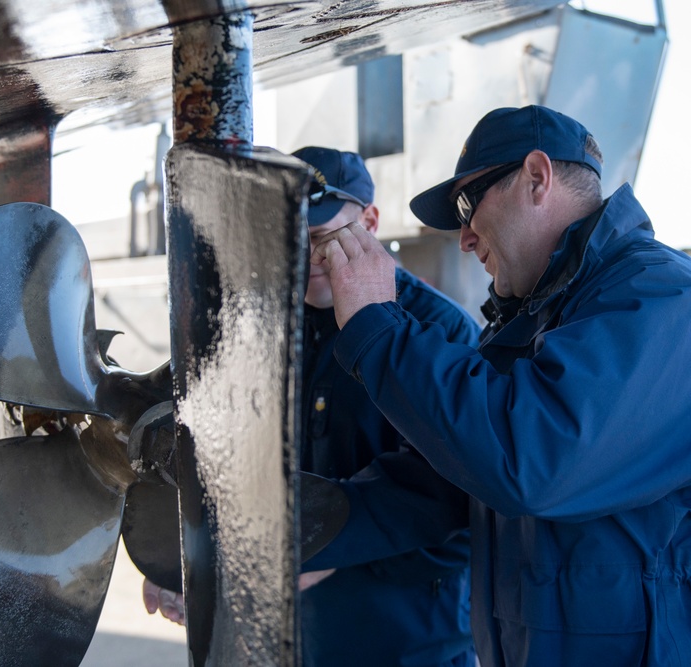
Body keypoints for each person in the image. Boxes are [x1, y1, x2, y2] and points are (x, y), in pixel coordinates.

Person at [303, 105, 691, 666]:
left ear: (536, 177)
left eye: (466, 206)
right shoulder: (536, 322)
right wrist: (275, 536)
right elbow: (441, 487)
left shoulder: (661, 297)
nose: (465, 239)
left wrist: (381, 330)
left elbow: (533, 458)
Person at [145, 146, 479, 666]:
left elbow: (463, 509)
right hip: (294, 641)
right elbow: (214, 453)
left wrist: (318, 555)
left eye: (323, 239)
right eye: (287, 241)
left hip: (410, 642)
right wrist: (174, 557)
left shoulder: (442, 332)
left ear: (370, 219)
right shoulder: (261, 329)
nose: (305, 260)